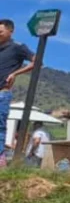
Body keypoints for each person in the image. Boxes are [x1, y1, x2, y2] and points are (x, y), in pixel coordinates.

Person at [0, 18, 35, 161]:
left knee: (0, 125)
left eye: (1, 31)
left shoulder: (17, 47)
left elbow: (36, 61)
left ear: (11, 31)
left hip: (2, 92)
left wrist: (15, 73)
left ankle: (0, 158)